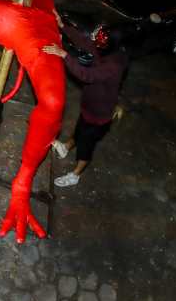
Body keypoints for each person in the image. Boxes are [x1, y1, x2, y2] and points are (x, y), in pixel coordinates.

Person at [42, 15, 128, 188]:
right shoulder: (107, 50)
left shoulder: (114, 64)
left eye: (100, 43)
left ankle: (76, 174)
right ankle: (66, 147)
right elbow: (86, 43)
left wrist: (64, 55)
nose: (96, 44)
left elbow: (86, 75)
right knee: (80, 130)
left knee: (85, 147)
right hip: (89, 106)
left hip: (100, 114)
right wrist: (63, 26)